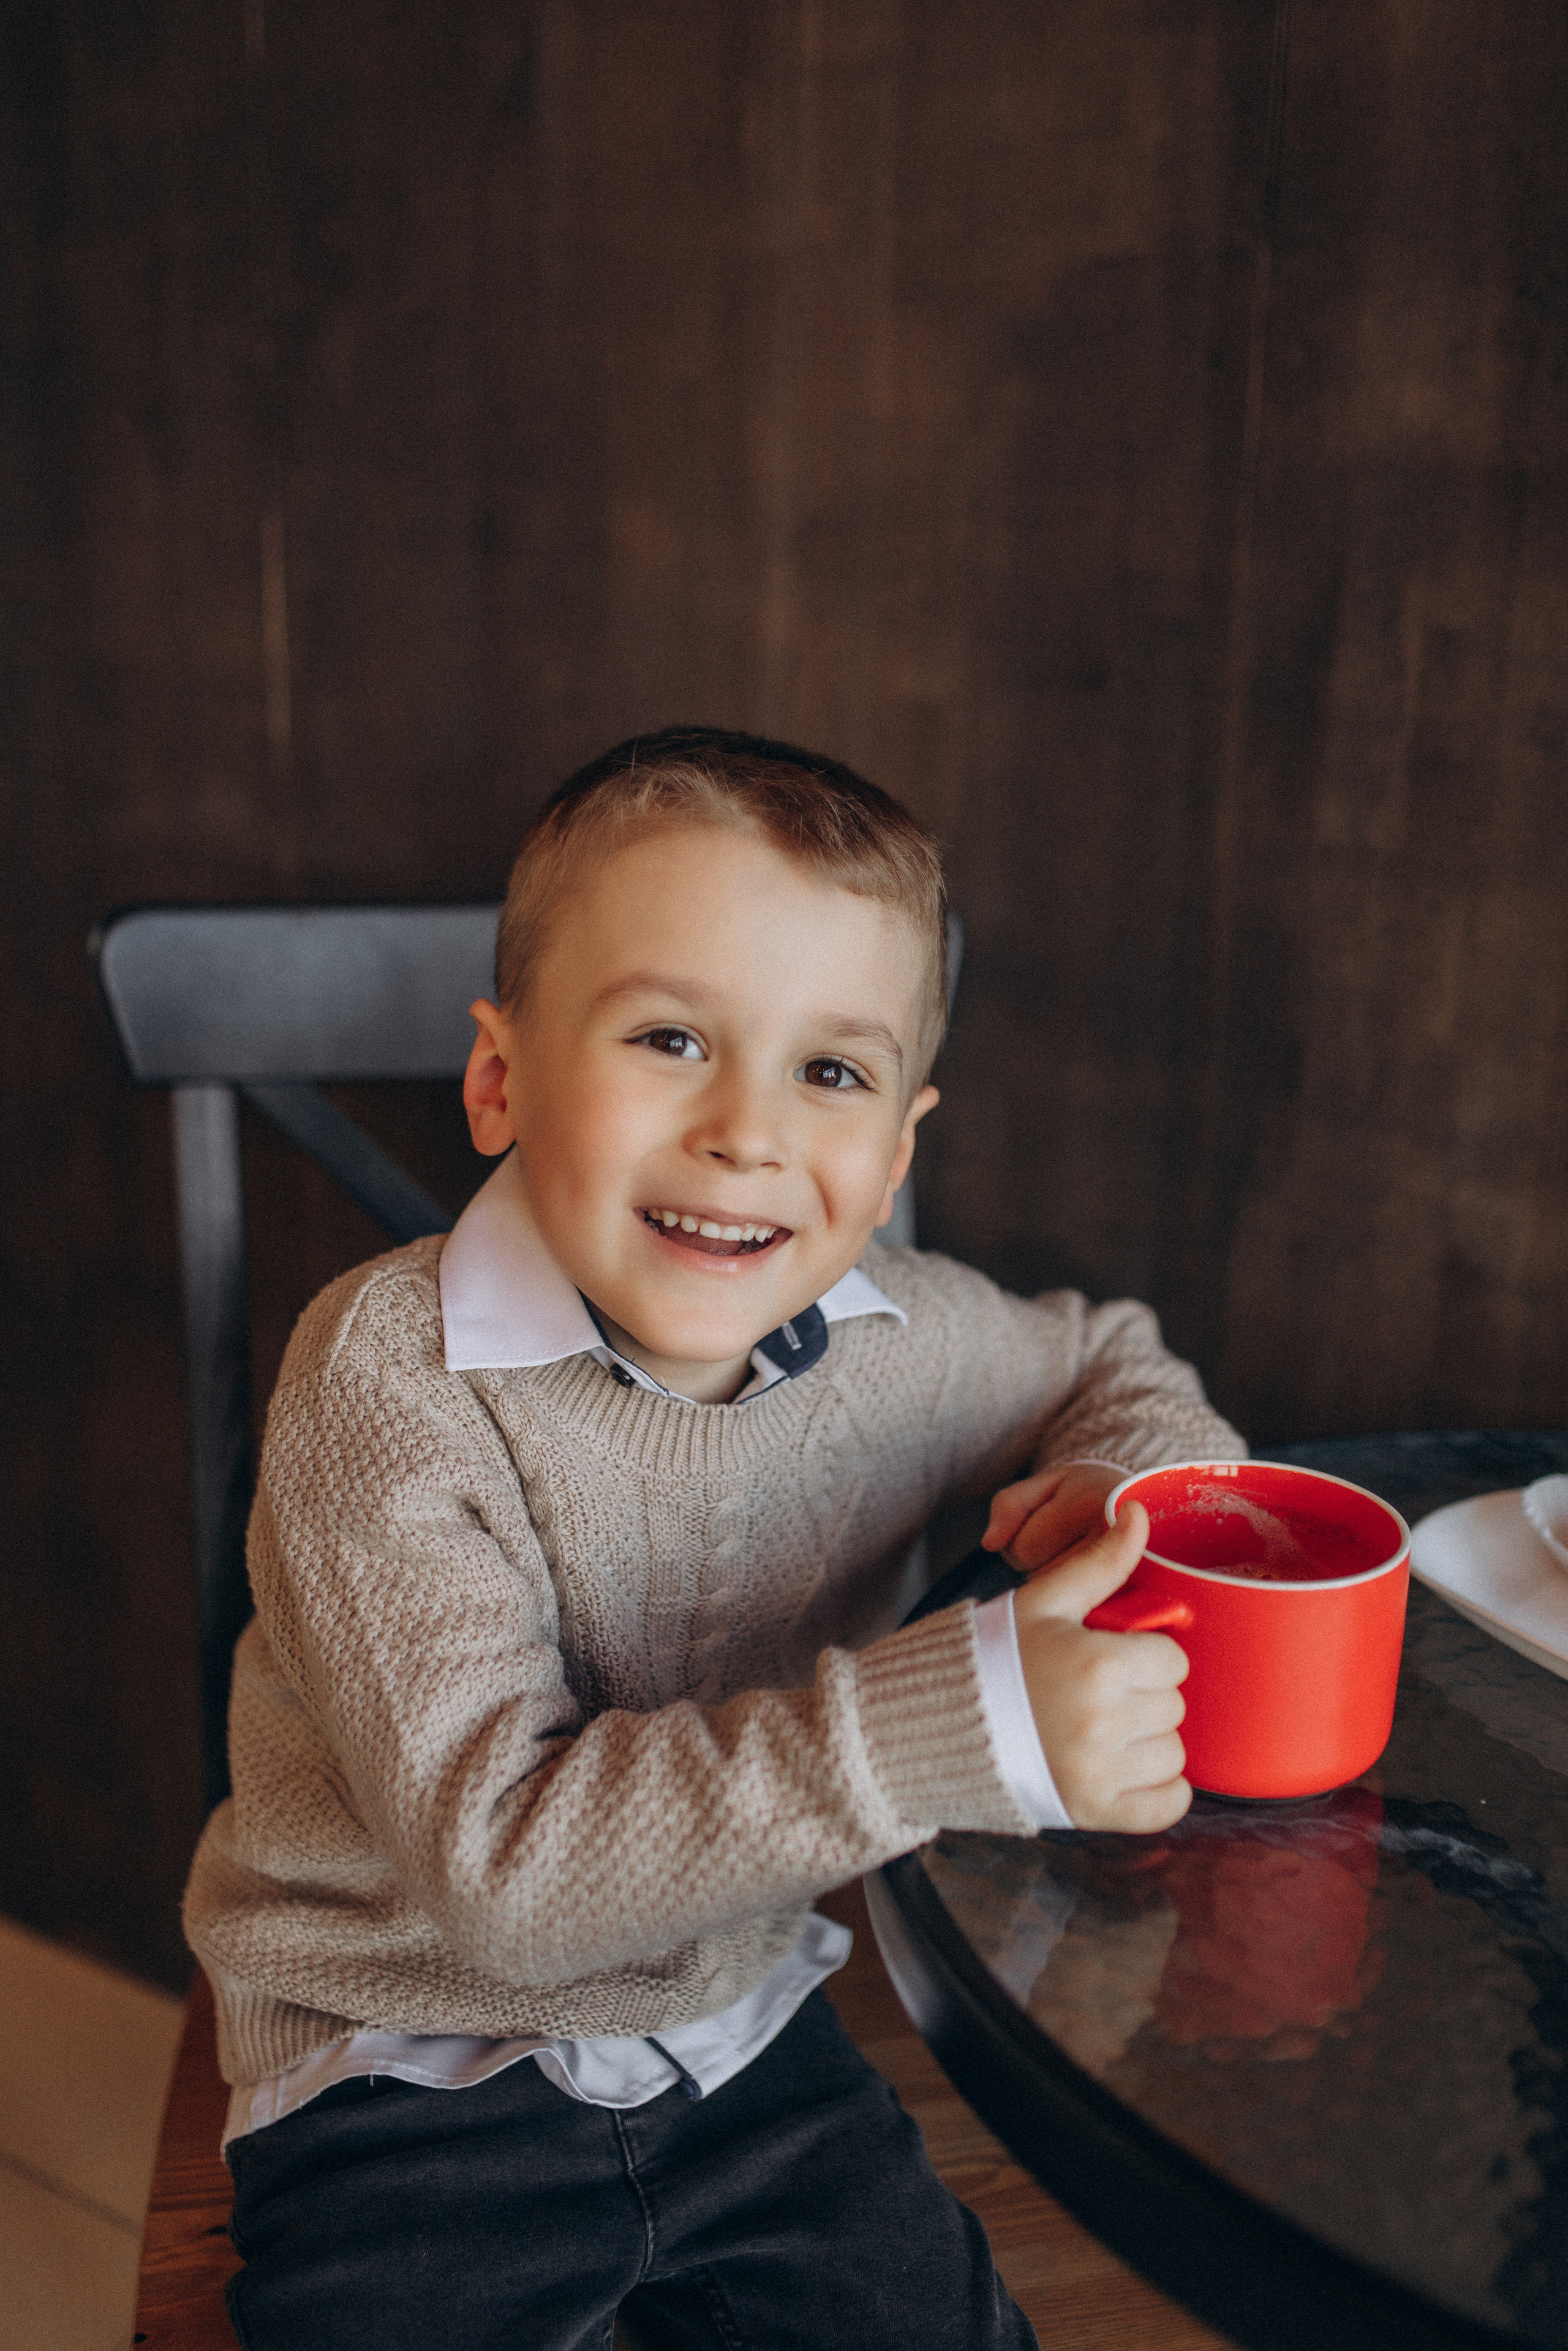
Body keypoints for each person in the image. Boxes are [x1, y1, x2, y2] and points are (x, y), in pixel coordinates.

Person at [186, 726, 1243, 2351]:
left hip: (741, 2034)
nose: (749, 1131)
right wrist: (975, 1713)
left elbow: (1112, 1355)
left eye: (831, 1071)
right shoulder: (386, 1382)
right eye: (673, 1038)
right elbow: (507, 1885)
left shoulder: (900, 1340)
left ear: (895, 1148)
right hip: (399, 2062)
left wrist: (1128, 1479)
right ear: (501, 1077)